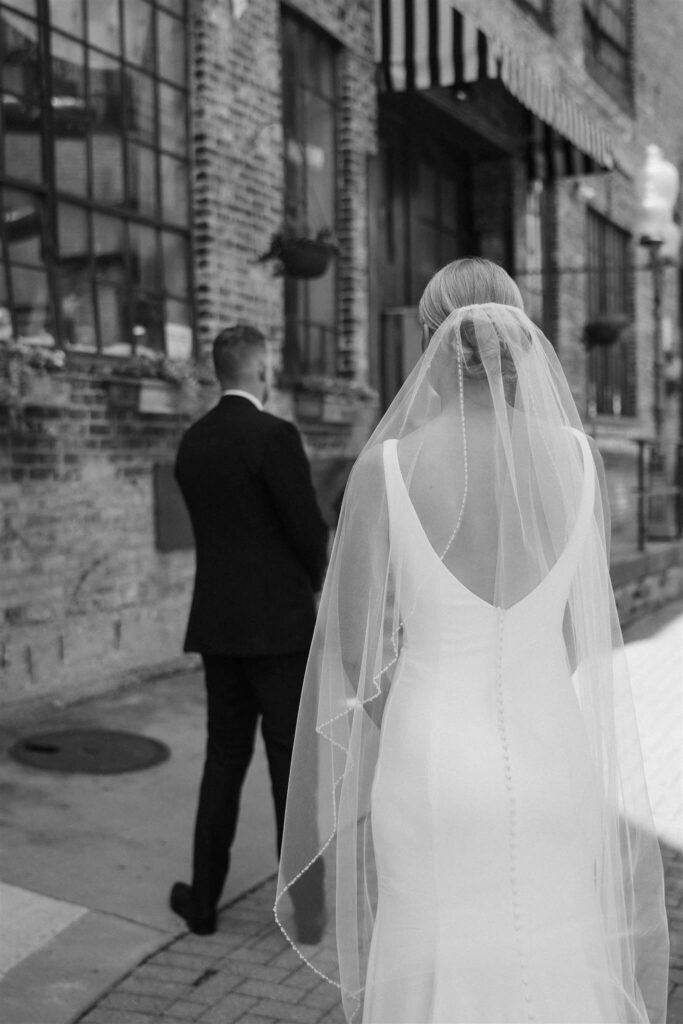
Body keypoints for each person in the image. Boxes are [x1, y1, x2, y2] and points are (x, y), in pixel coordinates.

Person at [275, 260, 669, 1023]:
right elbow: (574, 633)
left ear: (431, 342)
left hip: (429, 760)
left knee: (430, 958)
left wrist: (421, 715)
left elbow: (352, 650)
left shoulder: (386, 465)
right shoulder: (579, 460)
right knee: (556, 952)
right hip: (550, 751)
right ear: (520, 343)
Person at [171, 323, 329, 939]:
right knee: (290, 767)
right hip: (281, 629)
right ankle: (309, 913)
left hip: (217, 625)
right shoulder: (274, 435)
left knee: (223, 759)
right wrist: (313, 582)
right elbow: (307, 530)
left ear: (218, 371)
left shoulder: (193, 443)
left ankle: (203, 904)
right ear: (261, 370)